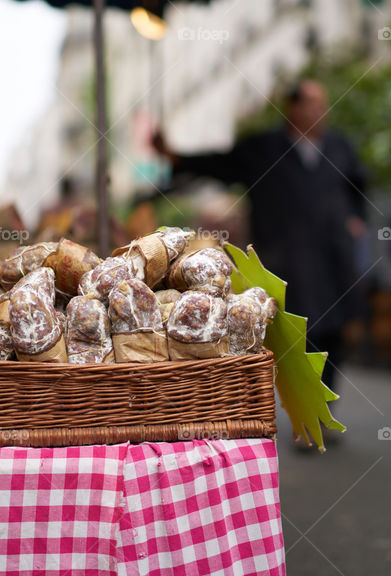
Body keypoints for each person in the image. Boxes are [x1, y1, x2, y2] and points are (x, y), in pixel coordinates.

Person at [151, 79, 368, 396]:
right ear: (293, 109)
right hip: (284, 262)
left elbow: (359, 188)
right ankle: (297, 405)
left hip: (332, 259)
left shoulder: (339, 147)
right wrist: (175, 157)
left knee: (331, 334)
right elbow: (220, 164)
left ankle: (323, 407)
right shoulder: (263, 149)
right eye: (313, 104)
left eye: (324, 104)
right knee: (291, 336)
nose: (322, 111)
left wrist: (356, 219)